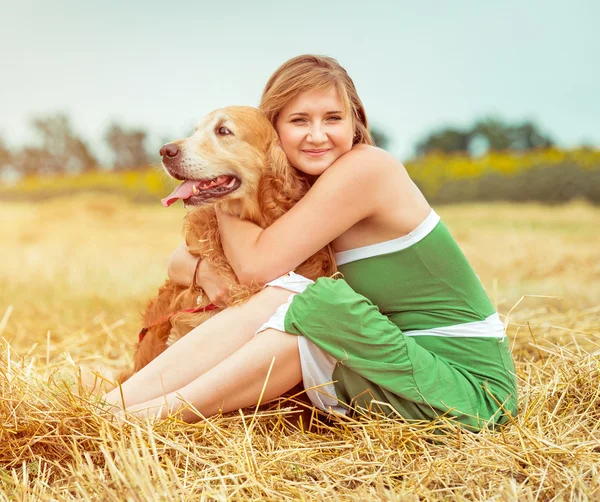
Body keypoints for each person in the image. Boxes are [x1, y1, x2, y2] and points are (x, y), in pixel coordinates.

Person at [103, 55, 518, 430]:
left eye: (333, 119)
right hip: (387, 362)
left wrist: (228, 188)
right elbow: (185, 260)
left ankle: (135, 419)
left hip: (463, 386)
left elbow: (254, 270)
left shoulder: (366, 169)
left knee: (296, 302)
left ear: (356, 122)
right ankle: (111, 411)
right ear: (275, 129)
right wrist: (203, 257)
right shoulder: (306, 187)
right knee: (297, 309)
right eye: (299, 121)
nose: (317, 136)